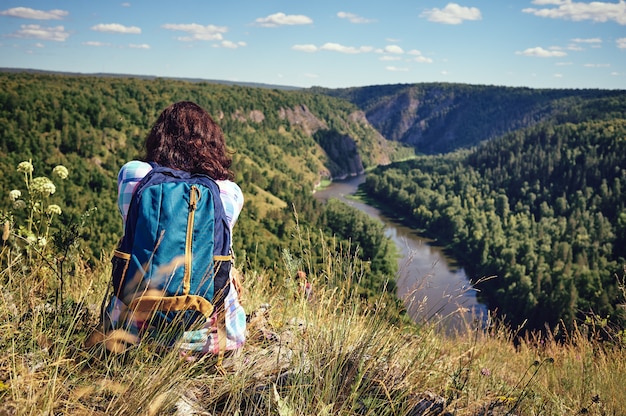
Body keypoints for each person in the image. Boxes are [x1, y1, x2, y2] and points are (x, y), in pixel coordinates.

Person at [104, 101, 246, 356]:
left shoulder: (133, 175)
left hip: (130, 334)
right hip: (213, 340)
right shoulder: (228, 192)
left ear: (159, 138)